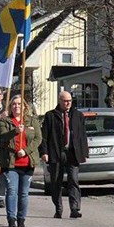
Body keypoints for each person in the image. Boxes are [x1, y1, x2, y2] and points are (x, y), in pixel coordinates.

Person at [39, 90, 88, 219]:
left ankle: (75, 208)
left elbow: (82, 135)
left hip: (72, 152)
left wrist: (84, 152)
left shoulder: (78, 115)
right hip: (56, 152)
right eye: (65, 101)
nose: (68, 103)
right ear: (59, 101)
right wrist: (44, 152)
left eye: (70, 101)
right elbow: (44, 136)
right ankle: (58, 208)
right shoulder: (51, 116)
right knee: (56, 181)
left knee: (73, 180)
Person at [0, 95, 42, 227]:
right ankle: (11, 218)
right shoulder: (5, 121)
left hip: (27, 162)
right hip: (11, 163)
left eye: (19, 104)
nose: (16, 106)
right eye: (14, 104)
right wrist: (15, 131)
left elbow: (38, 139)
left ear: (24, 107)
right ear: (10, 107)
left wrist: (26, 151)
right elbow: (2, 137)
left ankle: (21, 218)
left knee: (24, 193)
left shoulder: (32, 121)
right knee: (11, 191)